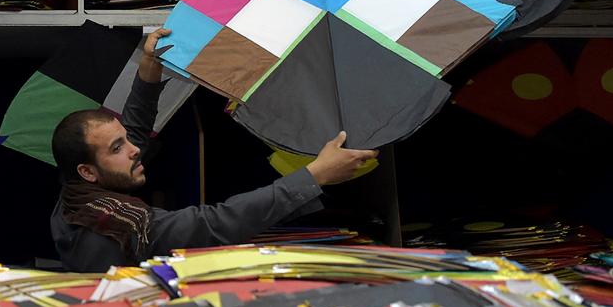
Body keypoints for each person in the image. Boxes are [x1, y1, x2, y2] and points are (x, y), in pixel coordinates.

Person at [50, 28, 379, 273]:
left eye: (126, 140)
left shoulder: (78, 196)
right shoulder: (113, 227)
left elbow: (133, 132)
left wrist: (149, 72)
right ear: (88, 171)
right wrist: (315, 175)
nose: (135, 150)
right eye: (118, 147)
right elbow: (217, 222)